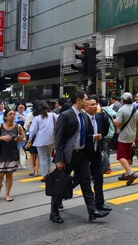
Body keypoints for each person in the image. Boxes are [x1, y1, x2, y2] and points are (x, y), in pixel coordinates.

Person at [49, 91, 110, 224]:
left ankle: (92, 210)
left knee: (86, 183)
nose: (87, 102)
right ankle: (54, 212)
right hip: (67, 155)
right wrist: (59, 159)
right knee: (61, 184)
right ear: (78, 100)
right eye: (86, 99)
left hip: (82, 155)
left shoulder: (84, 116)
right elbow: (59, 139)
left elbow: (86, 137)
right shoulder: (65, 115)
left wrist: (89, 155)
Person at [84, 96, 113, 213]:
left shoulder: (99, 118)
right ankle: (60, 198)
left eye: (96, 104)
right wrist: (92, 137)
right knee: (77, 180)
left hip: (96, 153)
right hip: (84, 155)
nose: (95, 106)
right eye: (91, 104)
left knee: (98, 178)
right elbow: (79, 137)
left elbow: (104, 131)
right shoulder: (82, 118)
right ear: (85, 107)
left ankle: (99, 203)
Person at [0, 109, 26, 202]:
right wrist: (2, 137)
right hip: (1, 154)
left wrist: (20, 138)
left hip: (12, 154)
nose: (12, 115)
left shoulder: (18, 127)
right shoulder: (0, 127)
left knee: (9, 175)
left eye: (14, 114)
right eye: (10, 114)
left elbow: (24, 137)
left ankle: (7, 194)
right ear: (5, 117)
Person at [114, 93, 138, 185]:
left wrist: (113, 120)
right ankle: (126, 174)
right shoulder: (136, 110)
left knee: (121, 155)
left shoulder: (122, 110)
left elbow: (117, 123)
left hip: (123, 135)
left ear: (123, 100)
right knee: (128, 154)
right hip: (132, 135)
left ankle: (130, 172)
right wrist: (137, 137)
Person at [25, 102, 57, 181]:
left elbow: (32, 131)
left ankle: (45, 175)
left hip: (40, 141)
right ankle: (48, 172)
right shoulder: (53, 115)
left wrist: (29, 140)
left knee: (42, 157)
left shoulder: (37, 118)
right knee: (48, 156)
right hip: (51, 139)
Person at [99, 98, 116, 174]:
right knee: (107, 149)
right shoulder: (113, 111)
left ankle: (107, 166)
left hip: (105, 134)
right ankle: (107, 164)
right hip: (112, 133)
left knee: (104, 150)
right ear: (108, 103)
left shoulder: (100, 111)